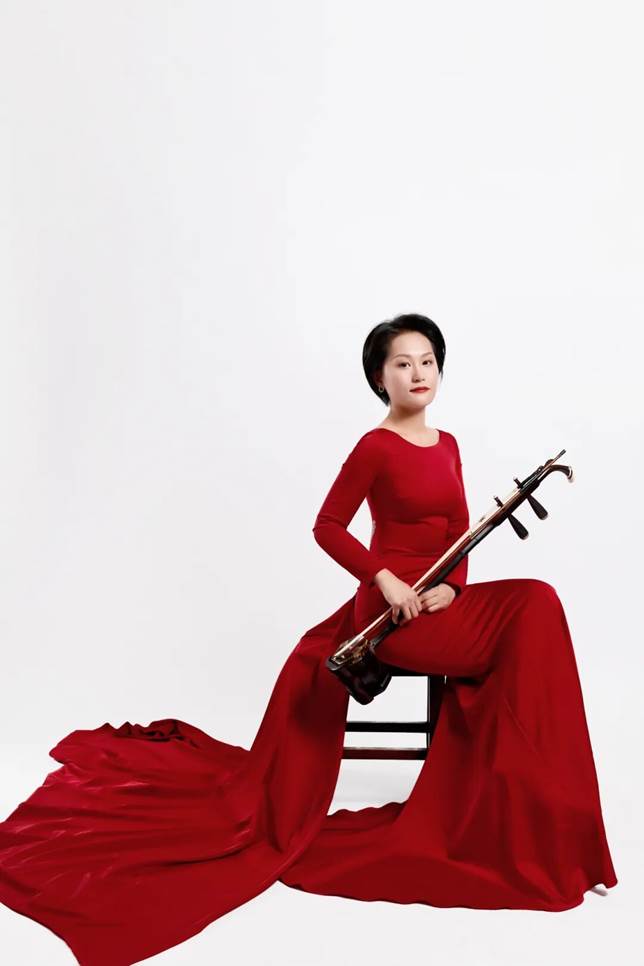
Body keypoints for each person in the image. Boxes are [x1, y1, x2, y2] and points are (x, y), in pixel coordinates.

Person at [0, 314, 617, 966]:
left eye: (428, 361)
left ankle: (536, 818)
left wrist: (455, 590)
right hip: (393, 617)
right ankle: (520, 821)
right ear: (379, 378)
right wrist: (384, 579)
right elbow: (328, 526)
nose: (418, 373)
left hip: (438, 602)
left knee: (537, 601)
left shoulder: (449, 444)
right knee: (532, 617)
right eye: (403, 363)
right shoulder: (375, 447)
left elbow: (459, 531)